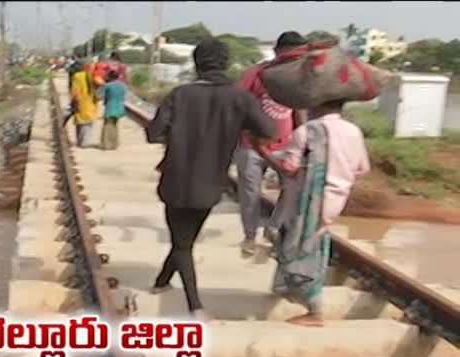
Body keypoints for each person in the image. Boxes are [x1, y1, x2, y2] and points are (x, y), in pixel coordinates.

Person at [145, 38, 276, 322]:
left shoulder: (179, 94)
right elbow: (270, 129)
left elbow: (153, 134)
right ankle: (160, 282)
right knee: (184, 239)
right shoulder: (239, 97)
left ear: (196, 64)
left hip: (176, 179)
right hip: (211, 183)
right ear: (226, 63)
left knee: (182, 242)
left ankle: (195, 307)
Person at [253, 99, 370, 327]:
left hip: (306, 203)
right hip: (336, 199)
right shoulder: (354, 131)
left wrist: (263, 151)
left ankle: (315, 311)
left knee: (302, 249)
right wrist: (338, 179)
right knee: (316, 244)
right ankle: (294, 293)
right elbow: (362, 169)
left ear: (316, 106)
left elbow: (289, 169)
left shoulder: (307, 131)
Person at [235, 31, 309, 256]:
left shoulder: (298, 78)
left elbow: (300, 110)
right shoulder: (256, 74)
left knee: (292, 186)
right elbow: (237, 102)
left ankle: (273, 226)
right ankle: (249, 236)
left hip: (285, 146)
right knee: (250, 193)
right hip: (251, 145)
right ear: (277, 52)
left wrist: (303, 139)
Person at [69, 60, 98, 147]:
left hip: (80, 101)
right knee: (89, 122)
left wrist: (74, 100)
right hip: (91, 101)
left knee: (80, 122)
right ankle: (85, 141)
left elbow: (75, 90)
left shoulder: (76, 76)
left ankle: (80, 141)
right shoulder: (90, 74)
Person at [99, 70, 126, 150]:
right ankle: (114, 144)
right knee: (115, 125)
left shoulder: (107, 86)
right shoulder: (122, 86)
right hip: (119, 107)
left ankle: (107, 144)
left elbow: (100, 96)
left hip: (110, 107)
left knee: (107, 126)